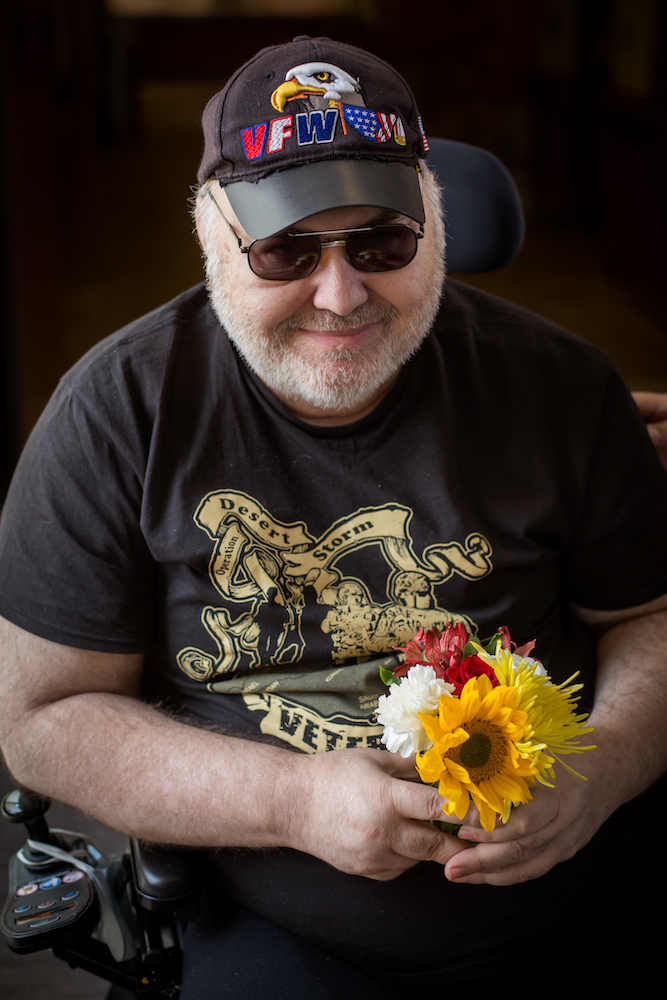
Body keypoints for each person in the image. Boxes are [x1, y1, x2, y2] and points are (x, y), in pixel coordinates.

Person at [1, 35, 667, 996]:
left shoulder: (559, 387)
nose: (341, 291)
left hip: (592, 901)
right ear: (212, 236)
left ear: (433, 225)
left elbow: (646, 617)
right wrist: (292, 801)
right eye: (285, 249)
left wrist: (599, 773)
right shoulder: (117, 415)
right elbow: (43, 718)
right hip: (283, 932)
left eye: (382, 242)